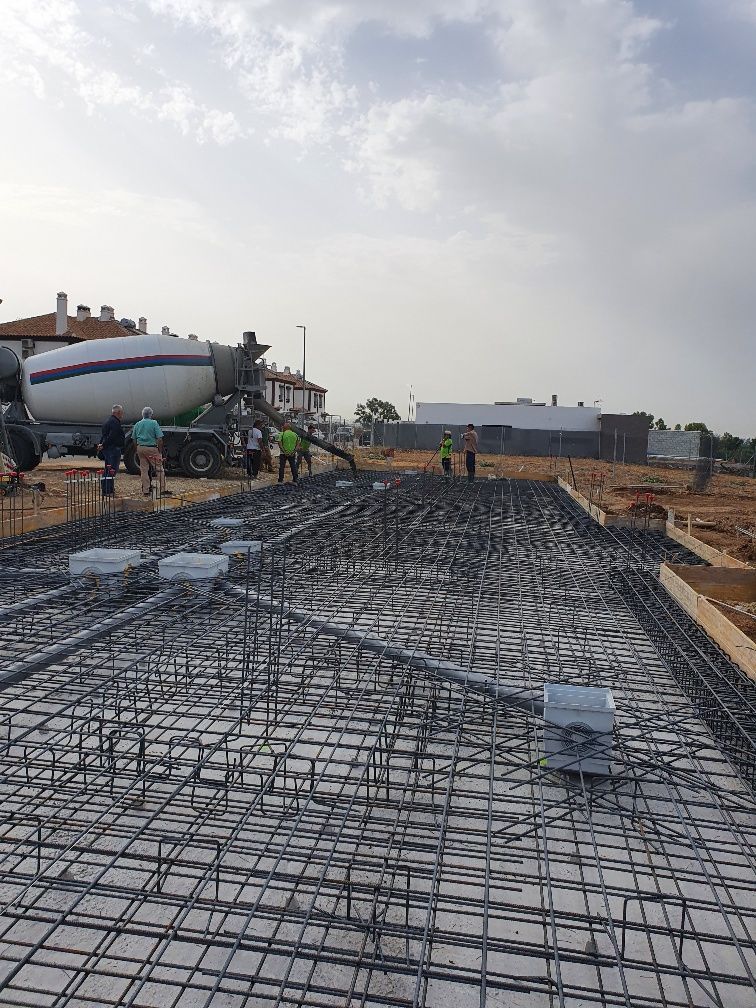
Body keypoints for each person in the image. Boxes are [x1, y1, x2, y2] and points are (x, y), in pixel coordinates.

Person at [131, 406, 168, 496]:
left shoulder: (138, 424)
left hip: (141, 448)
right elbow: (159, 438)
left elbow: (134, 439)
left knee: (144, 470)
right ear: (151, 414)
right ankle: (163, 489)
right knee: (159, 469)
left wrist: (137, 449)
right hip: (151, 448)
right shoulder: (154, 423)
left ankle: (146, 490)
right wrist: (159, 451)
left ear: (142, 415)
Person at [98, 404, 125, 496]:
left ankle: (106, 489)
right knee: (112, 470)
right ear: (118, 412)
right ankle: (108, 490)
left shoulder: (107, 421)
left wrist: (102, 444)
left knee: (107, 469)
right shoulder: (115, 422)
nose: (122, 414)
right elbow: (112, 436)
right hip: (113, 449)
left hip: (108, 449)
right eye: (122, 412)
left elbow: (104, 436)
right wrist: (104, 444)